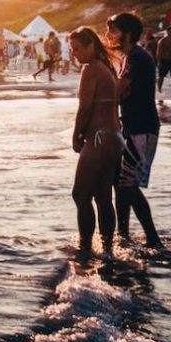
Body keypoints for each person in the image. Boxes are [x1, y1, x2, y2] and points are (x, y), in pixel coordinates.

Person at [105, 12, 163, 248]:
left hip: (142, 128)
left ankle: (152, 240)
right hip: (136, 127)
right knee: (122, 183)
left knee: (127, 185)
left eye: (113, 31)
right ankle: (125, 236)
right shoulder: (134, 56)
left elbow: (118, 91)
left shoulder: (136, 57)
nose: (108, 35)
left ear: (127, 34)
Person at [68, 27, 121, 258]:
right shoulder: (106, 67)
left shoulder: (91, 69)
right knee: (103, 197)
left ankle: (86, 248)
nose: (74, 54)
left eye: (77, 49)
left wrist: (76, 135)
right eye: (72, 50)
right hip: (114, 138)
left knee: (80, 195)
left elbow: (85, 108)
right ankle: (108, 250)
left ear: (91, 45)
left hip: (98, 139)